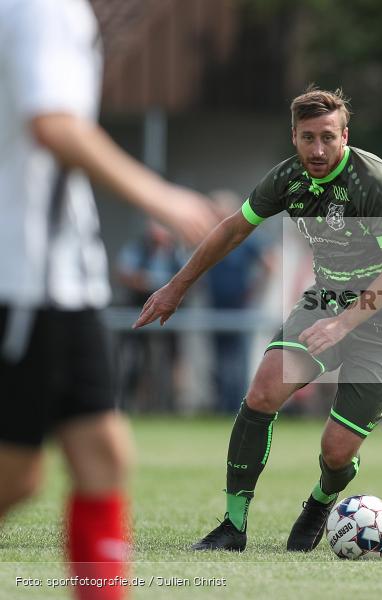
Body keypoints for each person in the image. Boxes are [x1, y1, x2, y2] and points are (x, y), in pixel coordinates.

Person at [135, 87, 382, 552]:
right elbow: (234, 229)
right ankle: (233, 526)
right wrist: (177, 286)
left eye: (328, 138)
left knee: (336, 451)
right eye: (308, 138)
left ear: (345, 136)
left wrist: (341, 326)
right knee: (261, 393)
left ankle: (320, 502)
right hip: (327, 300)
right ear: (294, 137)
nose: (318, 150)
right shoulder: (287, 178)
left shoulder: (371, 180)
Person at [0, 1, 216, 599]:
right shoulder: (42, 8)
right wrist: (160, 196)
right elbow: (56, 125)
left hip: (62, 279)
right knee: (18, 476)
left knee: (103, 459)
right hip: (26, 281)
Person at [205, 190, 274, 414]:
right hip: (216, 308)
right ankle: (220, 407)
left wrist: (253, 291)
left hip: (240, 309)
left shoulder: (245, 237)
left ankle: (237, 408)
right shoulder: (210, 237)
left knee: (238, 362)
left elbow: (270, 264)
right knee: (218, 362)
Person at [115, 221, 185, 412]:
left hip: (170, 316)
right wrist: (150, 283)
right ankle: (136, 405)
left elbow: (188, 278)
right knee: (136, 360)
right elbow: (125, 273)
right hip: (141, 312)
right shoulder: (137, 249)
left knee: (172, 359)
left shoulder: (175, 253)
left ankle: (172, 405)